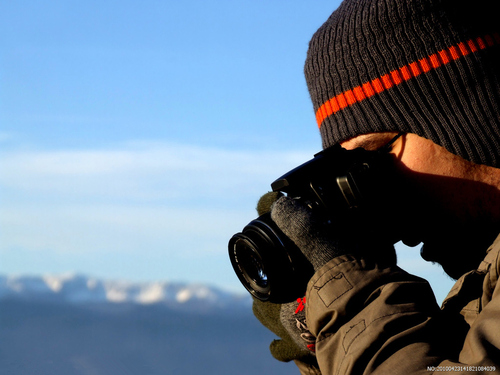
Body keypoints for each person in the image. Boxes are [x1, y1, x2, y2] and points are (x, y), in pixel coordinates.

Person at [252, 0, 500, 373]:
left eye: (375, 156)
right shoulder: (482, 289)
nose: (377, 192)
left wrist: (350, 302)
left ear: (469, 116)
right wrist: (326, 334)